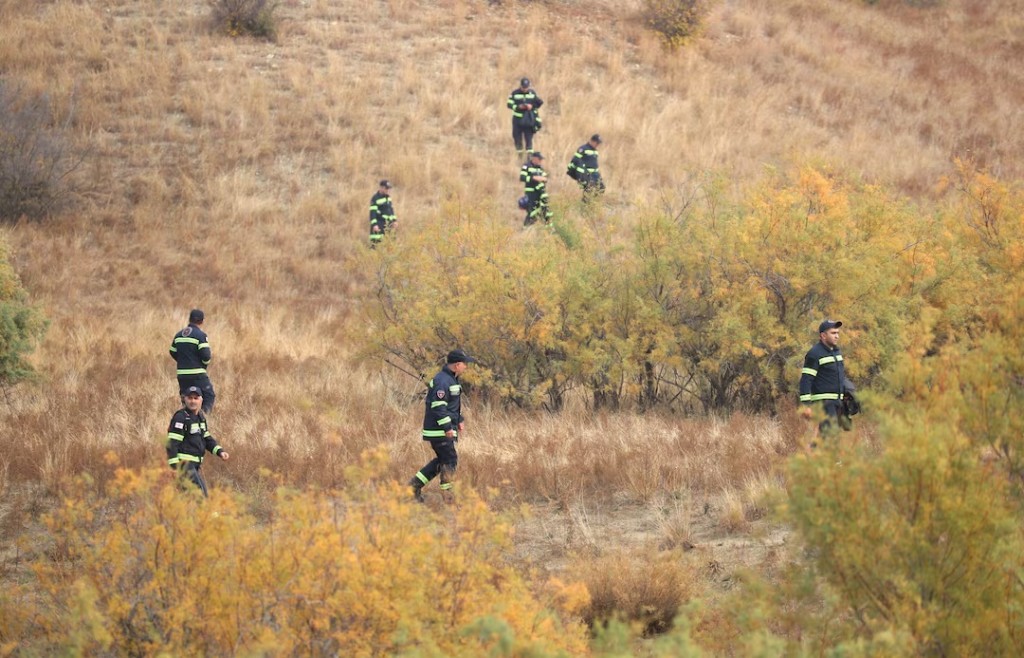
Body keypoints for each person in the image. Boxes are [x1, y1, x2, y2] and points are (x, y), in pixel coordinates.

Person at [409, 349, 477, 502]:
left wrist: (458, 419)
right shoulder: (443, 380)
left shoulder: (451, 379)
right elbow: (438, 406)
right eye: (465, 364)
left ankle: (413, 487)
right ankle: (449, 496)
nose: (466, 367)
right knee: (450, 459)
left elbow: (450, 405)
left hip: (442, 429)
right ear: (457, 365)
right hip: (438, 430)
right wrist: (447, 428)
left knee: (441, 461)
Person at [166, 386, 229, 497]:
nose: (193, 401)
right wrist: (175, 468)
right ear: (184, 399)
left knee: (197, 496)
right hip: (184, 464)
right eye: (190, 398)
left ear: (201, 400)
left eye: (196, 398)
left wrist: (219, 451)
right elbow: (172, 444)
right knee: (200, 496)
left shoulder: (200, 417)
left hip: (194, 465)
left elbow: (206, 438)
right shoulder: (180, 417)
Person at [799, 319, 857, 438]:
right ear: (823, 335)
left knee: (830, 437)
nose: (837, 336)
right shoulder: (814, 354)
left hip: (837, 402)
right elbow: (806, 379)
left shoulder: (837, 352)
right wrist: (806, 405)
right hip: (823, 403)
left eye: (838, 333)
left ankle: (814, 455)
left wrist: (846, 393)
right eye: (833, 333)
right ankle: (817, 455)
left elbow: (838, 376)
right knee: (828, 437)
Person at [170, 309, 215, 413]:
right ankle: (202, 417)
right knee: (208, 395)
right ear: (202, 321)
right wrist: (203, 365)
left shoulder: (179, 335)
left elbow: (172, 351)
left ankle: (187, 418)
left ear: (189, 320)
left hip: (182, 374)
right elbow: (206, 355)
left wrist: (182, 362)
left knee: (187, 398)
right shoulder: (201, 335)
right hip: (197, 373)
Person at [507, 77, 543, 158]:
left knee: (529, 139)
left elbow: (539, 103)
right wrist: (518, 107)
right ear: (520, 86)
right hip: (517, 121)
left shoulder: (532, 93)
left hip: (528, 120)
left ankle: (529, 157)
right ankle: (519, 155)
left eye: (526, 87)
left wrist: (532, 106)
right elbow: (509, 104)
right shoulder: (514, 93)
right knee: (517, 137)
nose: (525, 89)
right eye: (523, 87)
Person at [567, 134, 605, 200]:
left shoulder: (595, 151)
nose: (597, 145)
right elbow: (575, 160)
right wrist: (581, 173)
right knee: (589, 189)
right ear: (592, 141)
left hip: (595, 174)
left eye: (598, 143)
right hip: (586, 174)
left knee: (601, 188)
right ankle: (585, 205)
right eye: (597, 143)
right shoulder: (583, 149)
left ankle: (593, 203)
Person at [519, 151, 553, 226]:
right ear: (534, 158)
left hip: (539, 192)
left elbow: (545, 178)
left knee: (541, 209)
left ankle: (542, 225)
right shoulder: (527, 166)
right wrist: (534, 178)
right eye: (539, 159)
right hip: (530, 192)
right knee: (531, 210)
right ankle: (526, 228)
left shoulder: (540, 168)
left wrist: (544, 179)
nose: (541, 161)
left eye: (541, 159)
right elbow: (522, 177)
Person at [369, 180, 398, 247]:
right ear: (381, 188)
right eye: (386, 188)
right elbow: (372, 213)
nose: (388, 190)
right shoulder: (375, 198)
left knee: (390, 245)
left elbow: (391, 210)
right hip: (379, 225)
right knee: (376, 246)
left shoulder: (388, 198)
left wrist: (394, 221)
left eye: (389, 188)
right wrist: (374, 225)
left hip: (388, 225)